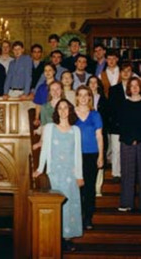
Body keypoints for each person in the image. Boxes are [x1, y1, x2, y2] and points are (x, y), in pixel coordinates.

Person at [33, 99, 84, 251]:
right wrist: (40, 169)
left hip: (70, 173)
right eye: (60, 108)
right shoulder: (50, 127)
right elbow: (45, 150)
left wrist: (79, 175)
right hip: (54, 174)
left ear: (70, 110)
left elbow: (77, 154)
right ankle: (56, 236)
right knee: (56, 206)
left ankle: (67, 238)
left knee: (69, 206)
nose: (63, 111)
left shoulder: (75, 130)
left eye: (66, 108)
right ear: (57, 111)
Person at [75, 86, 104, 229]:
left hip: (91, 155)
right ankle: (77, 217)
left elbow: (99, 137)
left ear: (90, 97)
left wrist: (101, 156)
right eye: (80, 95)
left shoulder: (95, 115)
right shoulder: (71, 114)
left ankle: (88, 217)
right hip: (75, 156)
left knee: (89, 188)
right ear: (77, 97)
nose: (83, 98)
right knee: (77, 188)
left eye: (86, 95)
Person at [118, 77, 141, 212]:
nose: (134, 88)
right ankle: (127, 203)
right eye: (131, 86)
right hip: (127, 142)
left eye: (137, 85)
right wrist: (130, 139)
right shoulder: (124, 104)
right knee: (127, 173)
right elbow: (122, 124)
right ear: (128, 89)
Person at [108, 62, 133, 182]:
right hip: (117, 125)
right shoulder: (113, 89)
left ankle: (129, 173)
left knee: (130, 151)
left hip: (132, 126)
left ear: (132, 73)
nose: (126, 73)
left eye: (128, 70)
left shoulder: (136, 88)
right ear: (120, 73)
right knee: (116, 150)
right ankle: (116, 173)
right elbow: (111, 109)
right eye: (123, 71)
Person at [87, 76, 108, 197]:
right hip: (87, 135)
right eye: (91, 82)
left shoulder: (103, 100)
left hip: (100, 133)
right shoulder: (82, 99)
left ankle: (98, 188)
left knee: (100, 161)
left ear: (98, 85)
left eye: (95, 82)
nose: (93, 84)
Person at [33, 81, 64, 149]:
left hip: (64, 138)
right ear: (49, 92)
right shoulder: (44, 107)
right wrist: (41, 141)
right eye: (52, 89)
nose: (55, 92)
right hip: (50, 137)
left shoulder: (67, 105)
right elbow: (44, 125)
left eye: (57, 89)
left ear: (61, 90)